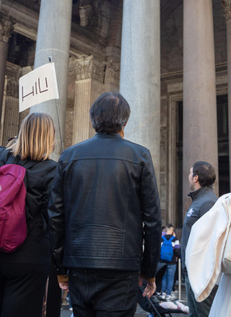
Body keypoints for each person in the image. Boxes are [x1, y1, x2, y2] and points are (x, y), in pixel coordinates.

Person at [49, 92, 162, 317]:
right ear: (125, 122)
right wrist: (149, 271)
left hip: (79, 261)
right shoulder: (140, 156)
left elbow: (55, 217)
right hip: (122, 265)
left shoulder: (69, 156)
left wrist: (60, 268)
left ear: (93, 119)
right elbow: (152, 220)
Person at [0, 112, 58, 316]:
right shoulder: (53, 171)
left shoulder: (1, 158)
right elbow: (55, 218)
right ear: (50, 138)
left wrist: (14, 145)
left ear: (21, 134)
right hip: (28, 254)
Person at [182, 162, 219, 317]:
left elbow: (211, 239)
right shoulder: (200, 200)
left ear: (195, 178)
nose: (189, 176)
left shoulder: (208, 202)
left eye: (190, 173)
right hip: (192, 272)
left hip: (200, 274)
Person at [159, 224, 179, 298]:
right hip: (172, 261)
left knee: (163, 277)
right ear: (172, 230)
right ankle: (169, 294)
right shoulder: (175, 239)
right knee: (170, 278)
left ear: (166, 229)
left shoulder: (161, 238)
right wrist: (176, 256)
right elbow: (177, 250)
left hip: (163, 261)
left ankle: (163, 293)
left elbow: (158, 249)